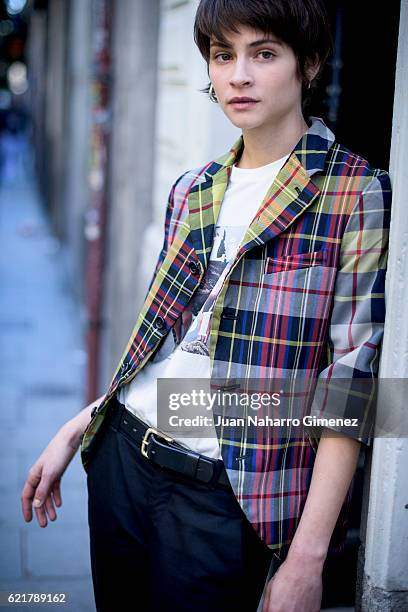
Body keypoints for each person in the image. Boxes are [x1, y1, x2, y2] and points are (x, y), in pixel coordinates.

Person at [21, 1, 392, 610]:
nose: (238, 75)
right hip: (125, 466)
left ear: (311, 64)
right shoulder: (193, 188)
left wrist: (307, 558)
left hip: (226, 498)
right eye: (223, 55)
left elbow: (351, 384)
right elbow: (167, 347)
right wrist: (82, 423)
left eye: (264, 53)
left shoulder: (355, 192)